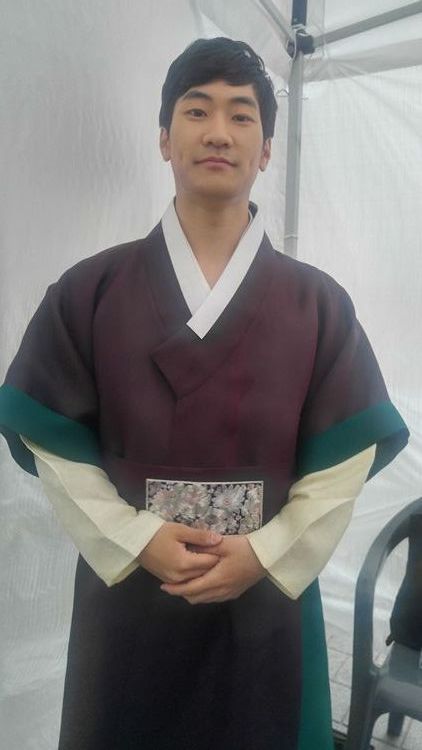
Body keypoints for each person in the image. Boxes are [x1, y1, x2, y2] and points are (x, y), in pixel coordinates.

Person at [0, 37, 409, 750]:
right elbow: (53, 440)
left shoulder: (318, 305)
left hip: (267, 601)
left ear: (267, 149)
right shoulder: (89, 292)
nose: (218, 132)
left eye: (241, 115)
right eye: (196, 111)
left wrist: (267, 552)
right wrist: (135, 537)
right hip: (130, 594)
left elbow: (344, 459)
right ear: (164, 138)